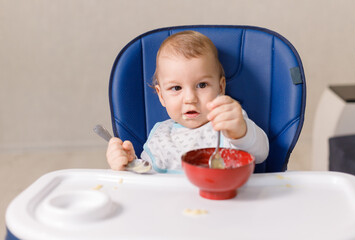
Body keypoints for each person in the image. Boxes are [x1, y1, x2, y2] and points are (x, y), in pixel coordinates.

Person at [106, 30, 269, 173]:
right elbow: (148, 179)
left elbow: (261, 153)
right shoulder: (161, 137)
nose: (190, 98)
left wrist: (241, 132)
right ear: (161, 96)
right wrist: (129, 164)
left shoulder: (228, 121)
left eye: (202, 85)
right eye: (176, 88)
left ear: (220, 87)